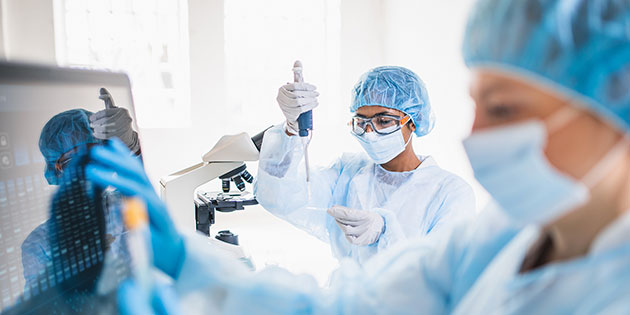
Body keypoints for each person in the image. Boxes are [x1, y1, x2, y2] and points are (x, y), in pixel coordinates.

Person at [87, 0, 630, 313]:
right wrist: (186, 264)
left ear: (610, 104)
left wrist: (388, 231)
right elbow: (356, 305)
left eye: (504, 110)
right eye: (475, 106)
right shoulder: (505, 234)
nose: (475, 133)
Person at [255, 66, 475, 263]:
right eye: (361, 121)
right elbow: (280, 197)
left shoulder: (451, 192)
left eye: (384, 120)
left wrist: (386, 231)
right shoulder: (348, 173)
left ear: (414, 121)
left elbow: (443, 272)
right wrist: (292, 129)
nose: (369, 133)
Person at [21, 107, 138, 289]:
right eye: (73, 162)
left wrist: (131, 147)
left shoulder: (123, 203)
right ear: (56, 170)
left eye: (92, 155)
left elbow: (141, 191)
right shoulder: (39, 244)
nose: (87, 170)